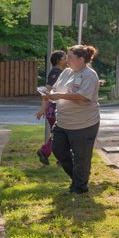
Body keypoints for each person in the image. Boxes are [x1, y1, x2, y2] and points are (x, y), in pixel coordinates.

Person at [38, 44, 100, 194]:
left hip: (84, 124)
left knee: (81, 158)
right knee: (58, 149)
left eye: (70, 57)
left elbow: (83, 97)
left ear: (81, 59)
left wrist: (59, 96)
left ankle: (80, 188)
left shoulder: (90, 75)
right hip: (63, 122)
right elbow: (56, 89)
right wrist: (49, 93)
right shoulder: (66, 72)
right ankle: (78, 180)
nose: (67, 61)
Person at [35, 50, 67, 166]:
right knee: (60, 134)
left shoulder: (62, 72)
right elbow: (46, 91)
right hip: (54, 109)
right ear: (59, 60)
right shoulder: (56, 73)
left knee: (59, 134)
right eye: (65, 58)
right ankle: (45, 151)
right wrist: (43, 108)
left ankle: (59, 157)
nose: (67, 60)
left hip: (56, 108)